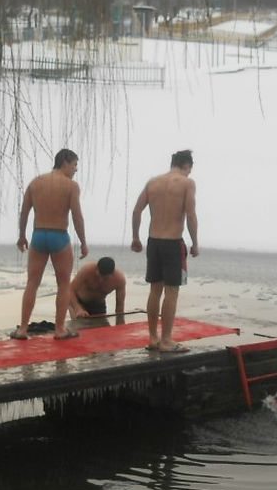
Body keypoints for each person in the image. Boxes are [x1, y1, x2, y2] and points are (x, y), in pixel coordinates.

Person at [11, 148, 88, 341]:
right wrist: (83, 242)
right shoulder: (71, 186)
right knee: (63, 285)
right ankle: (60, 329)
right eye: (75, 165)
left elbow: (24, 212)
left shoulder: (36, 183)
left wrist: (22, 236)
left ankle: (22, 330)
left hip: (38, 235)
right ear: (65, 162)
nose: (76, 169)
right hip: (59, 236)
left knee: (32, 283)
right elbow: (77, 216)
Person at [130, 149, 199, 353]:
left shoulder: (153, 182)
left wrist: (135, 237)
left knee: (154, 290)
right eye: (189, 170)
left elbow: (136, 210)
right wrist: (195, 243)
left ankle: (153, 338)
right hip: (172, 242)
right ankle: (167, 340)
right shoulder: (187, 183)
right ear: (187, 166)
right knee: (172, 292)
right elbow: (191, 215)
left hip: (154, 242)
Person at [69, 256, 127, 322]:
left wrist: (120, 327)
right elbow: (70, 290)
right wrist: (77, 308)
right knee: (81, 325)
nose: (101, 280)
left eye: (105, 279)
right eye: (99, 276)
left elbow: (120, 308)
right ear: (96, 269)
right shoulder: (86, 270)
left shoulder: (119, 280)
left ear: (112, 274)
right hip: (79, 302)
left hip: (99, 306)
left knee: (103, 329)